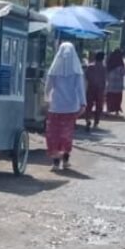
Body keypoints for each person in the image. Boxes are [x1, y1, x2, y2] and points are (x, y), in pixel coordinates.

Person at [45, 42, 87, 171]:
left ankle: (55, 162)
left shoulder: (54, 70)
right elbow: (80, 89)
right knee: (66, 134)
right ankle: (66, 160)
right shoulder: (77, 71)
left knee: (54, 134)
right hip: (71, 107)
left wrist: (46, 99)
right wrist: (83, 103)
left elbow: (48, 87)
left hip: (55, 107)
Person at [84, 51, 107, 131]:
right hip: (100, 89)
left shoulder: (90, 66)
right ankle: (96, 122)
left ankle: (88, 120)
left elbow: (86, 76)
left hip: (91, 88)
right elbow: (105, 79)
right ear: (103, 58)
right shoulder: (104, 68)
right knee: (99, 106)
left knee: (89, 105)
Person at [105, 50, 125, 116]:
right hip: (118, 85)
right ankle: (117, 111)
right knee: (117, 98)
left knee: (110, 97)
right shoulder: (120, 65)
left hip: (110, 84)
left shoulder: (109, 63)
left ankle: (108, 110)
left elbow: (106, 74)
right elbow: (124, 73)